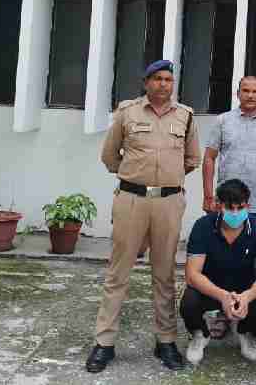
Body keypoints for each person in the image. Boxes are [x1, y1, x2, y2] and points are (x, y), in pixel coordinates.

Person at [85, 60, 200, 373]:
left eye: (168, 79)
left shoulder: (185, 116)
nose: (163, 84)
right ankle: (104, 343)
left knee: (164, 274)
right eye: (157, 78)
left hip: (168, 202)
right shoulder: (127, 113)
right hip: (131, 200)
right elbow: (110, 156)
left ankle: (166, 341)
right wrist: (136, 177)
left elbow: (192, 159)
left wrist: (166, 181)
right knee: (118, 273)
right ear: (146, 82)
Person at [180, 179, 256, 365]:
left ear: (247, 206)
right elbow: (192, 275)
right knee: (188, 302)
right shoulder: (202, 226)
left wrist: (247, 297)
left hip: (244, 291)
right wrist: (223, 296)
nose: (235, 213)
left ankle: (245, 332)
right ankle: (200, 334)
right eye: (229, 208)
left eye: (240, 208)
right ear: (219, 205)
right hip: (211, 289)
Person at [202, 75, 256, 226]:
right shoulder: (222, 121)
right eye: (246, 91)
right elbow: (209, 158)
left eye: (255, 91)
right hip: (226, 204)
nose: (250, 95)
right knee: (223, 242)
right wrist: (208, 197)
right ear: (238, 93)